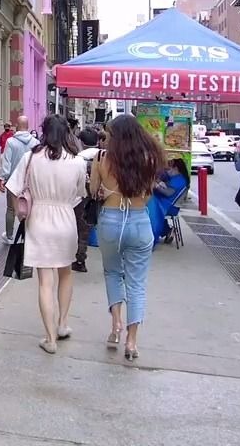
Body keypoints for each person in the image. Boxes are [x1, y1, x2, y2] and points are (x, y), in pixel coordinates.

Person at [5, 115, 88, 354]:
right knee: (66, 273)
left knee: (45, 281)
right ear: (66, 133)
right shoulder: (76, 161)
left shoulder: (31, 157)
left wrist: (20, 212)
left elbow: (13, 187)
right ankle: (63, 324)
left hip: (38, 219)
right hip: (65, 219)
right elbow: (80, 193)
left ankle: (50, 338)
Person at [91, 113, 165, 362]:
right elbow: (147, 197)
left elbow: (92, 192)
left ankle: (115, 326)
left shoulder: (101, 158)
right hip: (138, 220)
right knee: (137, 283)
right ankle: (132, 342)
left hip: (110, 220)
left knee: (112, 273)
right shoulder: (149, 159)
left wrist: (105, 190)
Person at [0, 115, 38, 243]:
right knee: (30, 208)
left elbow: (6, 162)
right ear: (28, 126)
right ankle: (28, 235)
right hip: (30, 182)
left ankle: (9, 235)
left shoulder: (11, 142)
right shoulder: (35, 143)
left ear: (16, 126)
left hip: (13, 181)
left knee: (11, 208)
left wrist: (2, 178)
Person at [72, 127, 103, 272]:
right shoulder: (104, 156)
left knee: (81, 228)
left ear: (82, 142)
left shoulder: (78, 159)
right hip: (102, 197)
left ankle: (80, 259)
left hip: (82, 198)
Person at [148, 159, 190, 245]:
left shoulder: (180, 180)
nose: (167, 171)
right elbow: (166, 186)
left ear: (176, 168)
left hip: (170, 206)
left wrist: (156, 186)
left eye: (169, 169)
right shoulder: (176, 177)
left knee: (150, 207)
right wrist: (159, 183)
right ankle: (166, 230)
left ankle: (157, 233)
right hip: (166, 203)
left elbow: (168, 193)